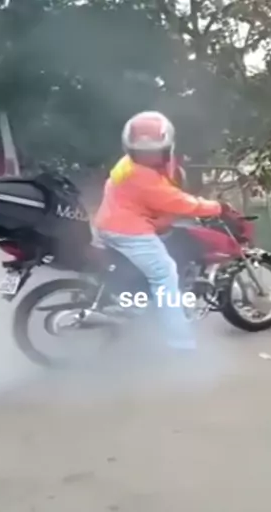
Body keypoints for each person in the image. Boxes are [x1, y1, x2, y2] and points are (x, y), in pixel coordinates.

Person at [93, 111, 222, 350]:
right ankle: (181, 341)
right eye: (143, 152)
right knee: (165, 274)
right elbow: (180, 202)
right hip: (129, 230)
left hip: (108, 223)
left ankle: (145, 310)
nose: (149, 157)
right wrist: (216, 207)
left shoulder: (126, 164)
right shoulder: (145, 178)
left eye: (153, 151)